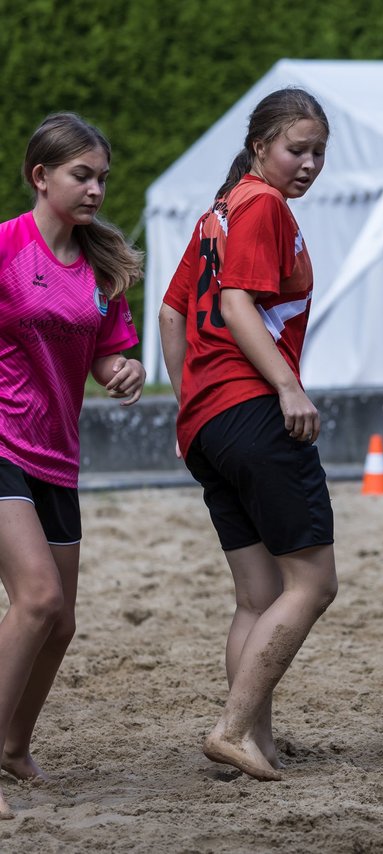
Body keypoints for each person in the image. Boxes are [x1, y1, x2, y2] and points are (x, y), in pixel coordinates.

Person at [158, 88, 338, 783]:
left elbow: (173, 317)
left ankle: (250, 744)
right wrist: (287, 387)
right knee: (314, 582)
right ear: (260, 144)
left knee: (257, 595)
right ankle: (232, 728)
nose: (310, 163)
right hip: (254, 410)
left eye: (319, 151)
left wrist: (191, 401)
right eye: (298, 147)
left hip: (208, 422)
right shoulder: (262, 203)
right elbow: (235, 305)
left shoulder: (217, 212)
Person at [0, 113, 145, 819]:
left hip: (58, 456)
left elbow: (106, 352)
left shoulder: (101, 266)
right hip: (2, 444)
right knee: (37, 601)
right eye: (81, 176)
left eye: (101, 178)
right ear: (41, 177)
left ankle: (13, 746)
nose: (95, 190)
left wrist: (125, 370)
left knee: (61, 625)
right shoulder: (4, 247)